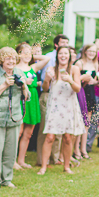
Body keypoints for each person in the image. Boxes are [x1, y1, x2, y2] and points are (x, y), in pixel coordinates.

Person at [0, 47, 31, 187]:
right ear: (1, 60)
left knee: (11, 150)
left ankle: (7, 179)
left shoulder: (19, 72)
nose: (11, 61)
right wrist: (5, 84)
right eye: (7, 58)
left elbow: (27, 97)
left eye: (13, 58)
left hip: (14, 117)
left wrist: (23, 86)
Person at [38, 45, 84, 175]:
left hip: (69, 106)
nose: (63, 56)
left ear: (69, 56)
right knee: (50, 137)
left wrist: (70, 80)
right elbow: (45, 88)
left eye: (65, 53)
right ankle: (43, 167)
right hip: (55, 106)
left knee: (68, 138)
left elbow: (77, 89)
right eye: (60, 54)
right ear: (57, 56)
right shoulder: (51, 69)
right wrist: (46, 79)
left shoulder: (74, 69)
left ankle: (66, 166)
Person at [36, 34, 71, 165]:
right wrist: (46, 79)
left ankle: (54, 158)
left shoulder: (70, 65)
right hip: (49, 95)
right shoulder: (49, 58)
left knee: (59, 132)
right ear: (56, 45)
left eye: (67, 43)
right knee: (46, 130)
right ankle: (41, 160)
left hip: (64, 98)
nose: (65, 45)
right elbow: (45, 85)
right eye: (63, 43)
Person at [14, 42, 49, 168]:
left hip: (33, 99)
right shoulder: (15, 68)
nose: (28, 55)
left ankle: (21, 160)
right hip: (21, 99)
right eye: (25, 52)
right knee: (18, 132)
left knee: (28, 133)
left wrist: (33, 55)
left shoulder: (33, 67)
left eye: (30, 53)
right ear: (19, 54)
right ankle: (12, 160)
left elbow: (47, 58)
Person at [75, 43, 99, 159]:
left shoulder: (95, 64)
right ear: (85, 51)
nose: (92, 53)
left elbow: (94, 81)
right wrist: (84, 79)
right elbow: (75, 80)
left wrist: (96, 81)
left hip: (90, 94)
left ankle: (83, 149)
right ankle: (76, 150)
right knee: (79, 122)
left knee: (87, 123)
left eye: (94, 52)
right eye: (90, 51)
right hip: (80, 93)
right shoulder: (79, 63)